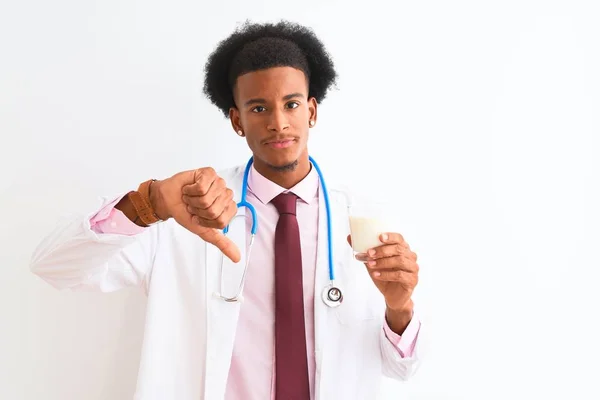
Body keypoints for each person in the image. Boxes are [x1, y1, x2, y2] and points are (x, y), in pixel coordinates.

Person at [30, 20, 423, 400]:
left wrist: (399, 307)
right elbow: (55, 266)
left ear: (312, 111)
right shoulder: (187, 209)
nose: (279, 123)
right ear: (237, 120)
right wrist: (150, 203)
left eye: (291, 104)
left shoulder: (367, 219)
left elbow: (402, 368)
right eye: (258, 109)